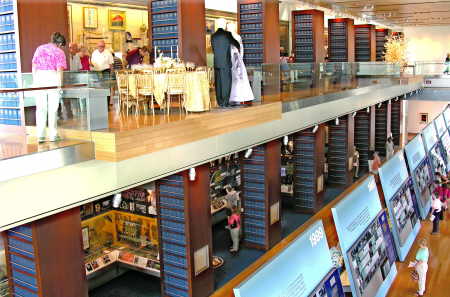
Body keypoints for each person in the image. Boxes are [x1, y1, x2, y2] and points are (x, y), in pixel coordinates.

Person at [32, 32, 67, 143]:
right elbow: (59, 69)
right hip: (53, 77)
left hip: (39, 77)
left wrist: (35, 80)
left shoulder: (39, 48)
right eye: (62, 45)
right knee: (53, 109)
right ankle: (53, 135)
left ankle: (40, 135)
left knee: (40, 108)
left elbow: (34, 65)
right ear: (60, 43)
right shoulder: (59, 52)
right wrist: (60, 85)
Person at [211, 18, 240, 108]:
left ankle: (220, 102)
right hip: (226, 63)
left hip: (216, 63)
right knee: (226, 83)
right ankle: (225, 102)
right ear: (224, 25)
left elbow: (213, 49)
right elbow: (237, 44)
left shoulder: (213, 36)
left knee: (218, 84)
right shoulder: (227, 34)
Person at [226, 23, 254, 105]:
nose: (228, 28)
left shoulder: (237, 37)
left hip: (236, 59)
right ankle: (231, 96)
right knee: (232, 78)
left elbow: (241, 49)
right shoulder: (229, 37)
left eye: (229, 27)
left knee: (237, 78)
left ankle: (239, 96)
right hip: (231, 58)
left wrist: (240, 59)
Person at [91, 41, 114, 105]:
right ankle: (99, 103)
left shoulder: (108, 53)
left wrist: (111, 75)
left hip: (106, 71)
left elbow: (111, 64)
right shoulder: (94, 53)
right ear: (97, 46)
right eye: (100, 46)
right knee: (97, 88)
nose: (101, 47)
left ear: (104, 46)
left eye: (103, 46)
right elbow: (92, 63)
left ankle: (106, 104)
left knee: (106, 88)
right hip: (96, 72)